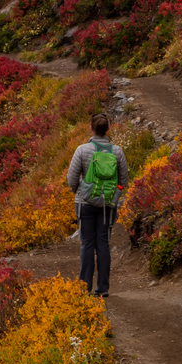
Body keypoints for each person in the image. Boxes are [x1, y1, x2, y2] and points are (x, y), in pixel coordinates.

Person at [66, 112, 129, 297]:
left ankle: (84, 287)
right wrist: (114, 198)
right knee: (103, 244)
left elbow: (71, 179)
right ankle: (103, 288)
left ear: (91, 128)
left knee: (87, 243)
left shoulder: (82, 150)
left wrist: (79, 192)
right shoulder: (117, 151)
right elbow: (123, 179)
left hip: (84, 203)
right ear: (108, 128)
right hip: (107, 206)